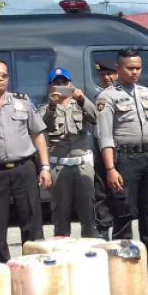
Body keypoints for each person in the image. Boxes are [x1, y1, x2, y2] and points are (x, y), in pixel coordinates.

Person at [97, 48, 148, 274]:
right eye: (130, 68)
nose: (135, 72)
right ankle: (124, 261)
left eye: (138, 68)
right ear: (119, 68)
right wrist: (111, 168)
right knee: (123, 210)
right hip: (124, 159)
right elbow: (105, 137)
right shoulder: (107, 97)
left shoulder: (146, 94)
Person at [0, 59, 51, 262]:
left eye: (4, 75)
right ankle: (1, 272)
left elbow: (37, 135)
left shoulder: (22, 103)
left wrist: (45, 166)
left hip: (25, 168)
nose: (0, 79)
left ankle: (33, 267)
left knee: (32, 222)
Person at [38, 68, 99, 238]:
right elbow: (41, 126)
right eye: (56, 83)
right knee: (61, 214)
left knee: (88, 211)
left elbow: (95, 117)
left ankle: (90, 248)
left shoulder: (80, 103)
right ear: (50, 86)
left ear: (70, 83)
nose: (61, 86)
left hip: (82, 164)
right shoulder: (46, 107)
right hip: (59, 166)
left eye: (64, 82)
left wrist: (82, 99)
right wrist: (52, 105)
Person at [92, 60, 118, 238]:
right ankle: (103, 232)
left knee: (121, 195)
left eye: (110, 74)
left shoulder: (131, 94)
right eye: (103, 75)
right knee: (102, 193)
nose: (107, 78)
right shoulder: (101, 97)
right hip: (103, 150)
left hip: (123, 151)